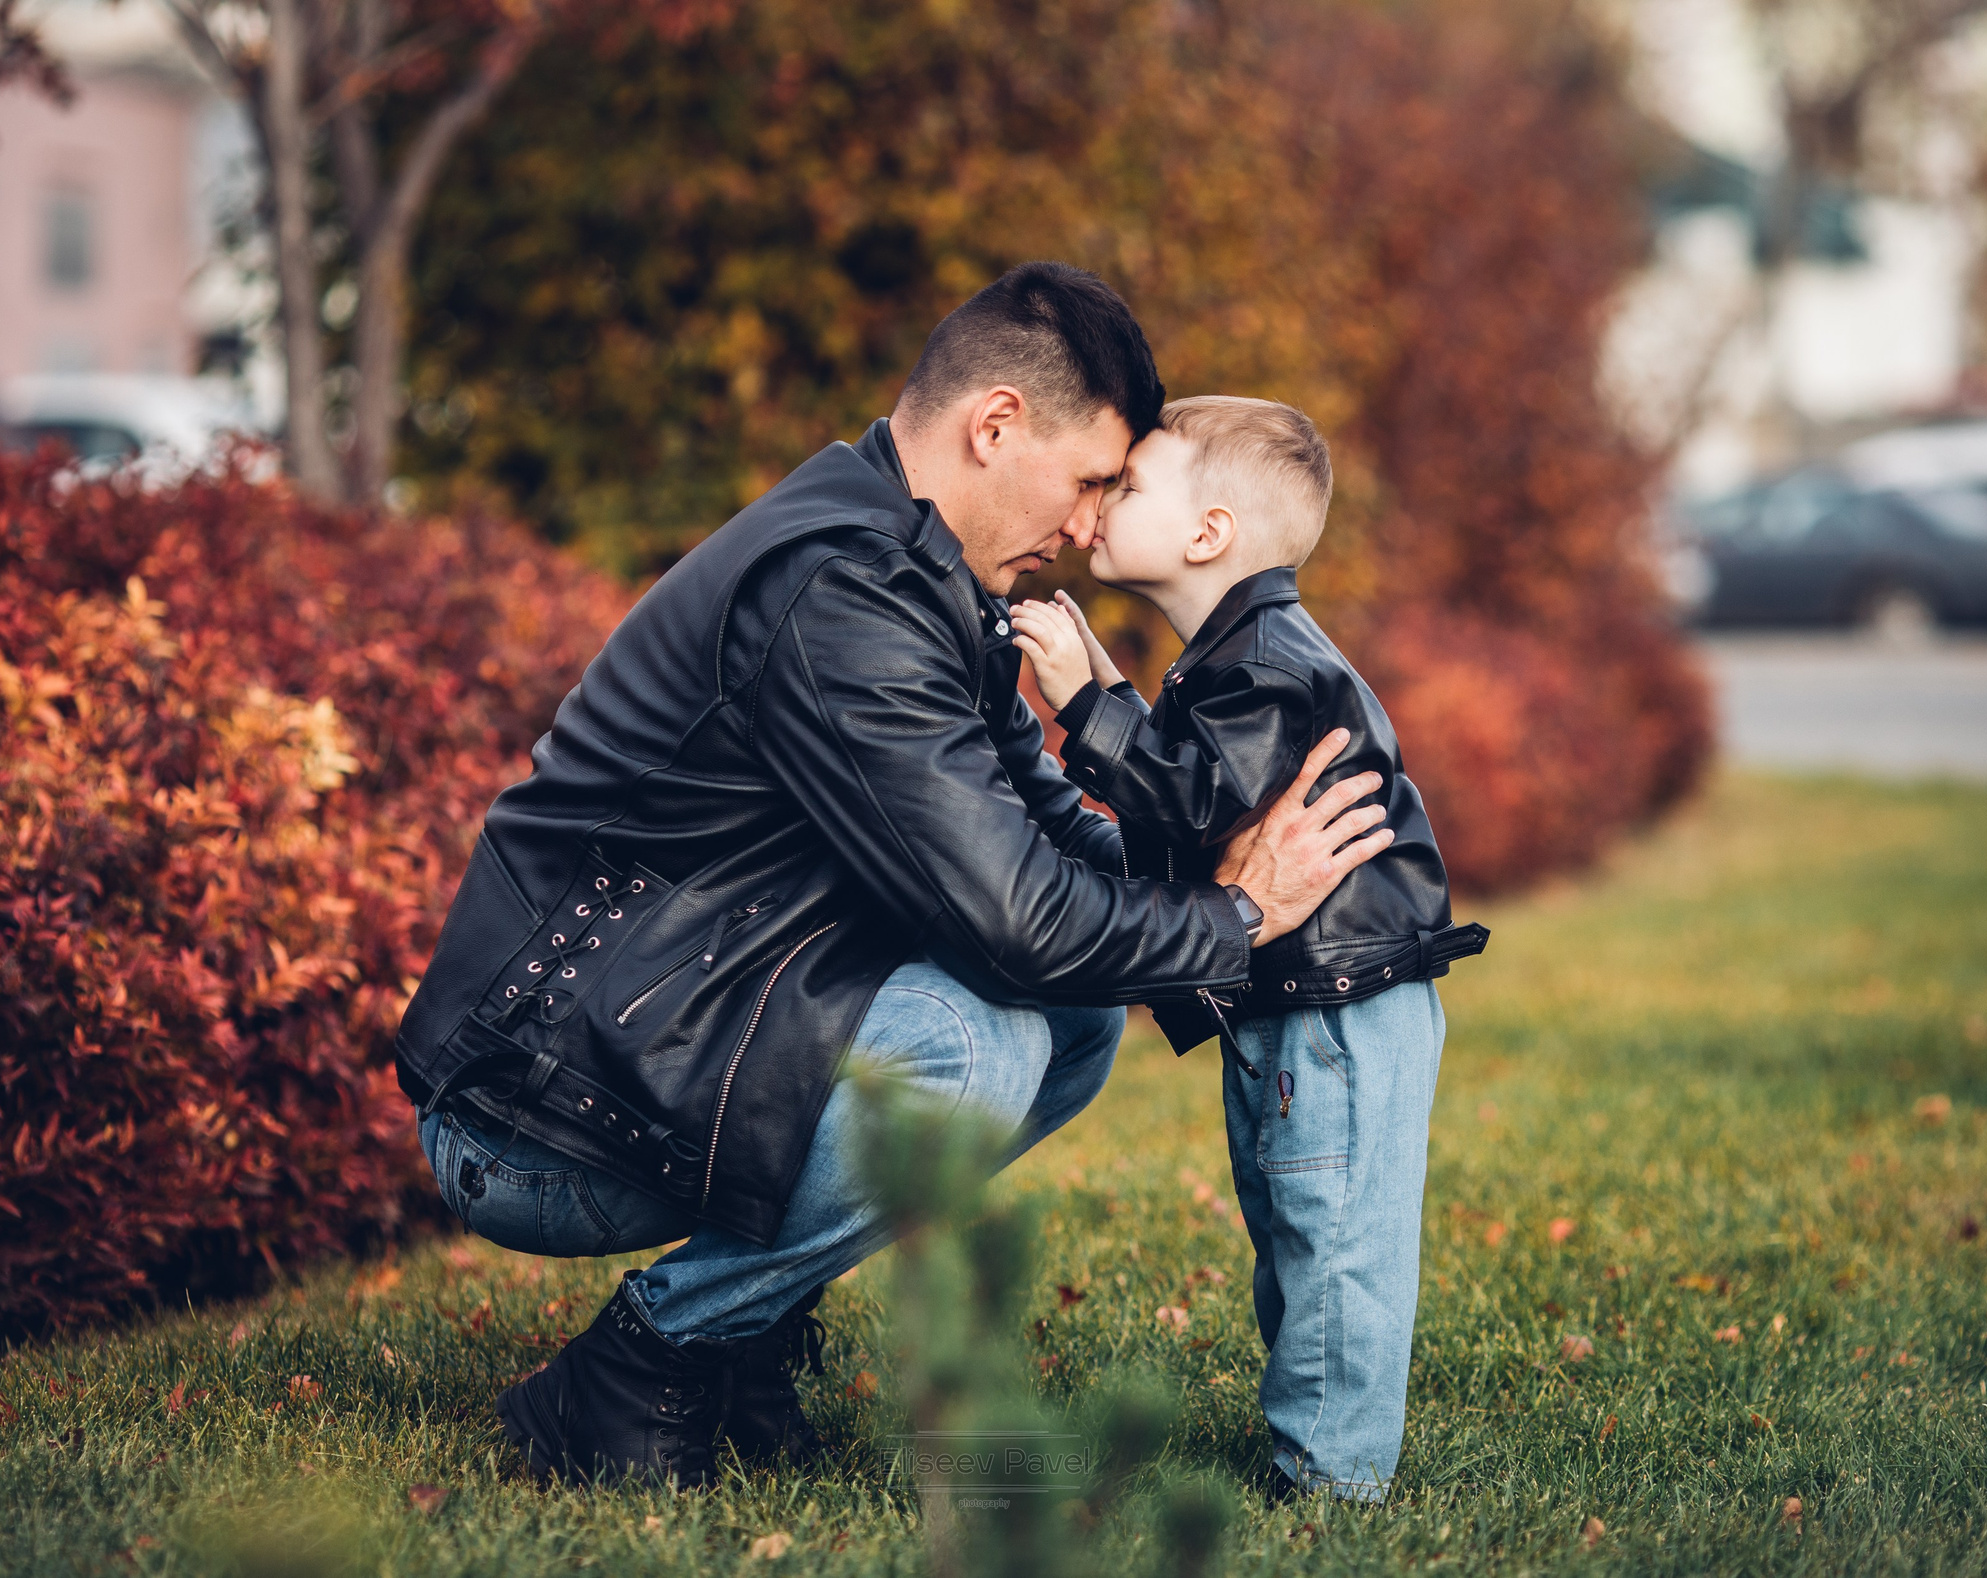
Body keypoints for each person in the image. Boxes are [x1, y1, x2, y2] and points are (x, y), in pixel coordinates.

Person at [391, 267, 1397, 1488]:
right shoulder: (840, 592)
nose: (1089, 526)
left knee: (1070, 1020)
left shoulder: (922, 576)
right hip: (535, 1110)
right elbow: (1020, 917)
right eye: (1088, 481)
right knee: (973, 1051)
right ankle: (642, 1363)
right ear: (994, 426)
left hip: (680, 1039)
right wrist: (1242, 915)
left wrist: (1209, 871)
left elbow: (1050, 845)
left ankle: (740, 1328)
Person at [1007, 395, 1487, 1502]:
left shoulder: (1266, 661)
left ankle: (1328, 1482)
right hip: (1302, 1001)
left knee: (1332, 1238)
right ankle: (1312, 1437)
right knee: (1291, 1220)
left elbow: (1192, 795)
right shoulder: (1236, 657)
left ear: (1206, 534)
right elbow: (1203, 795)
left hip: (1340, 1012)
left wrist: (1086, 705)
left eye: (1125, 489)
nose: (1100, 505)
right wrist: (1113, 698)